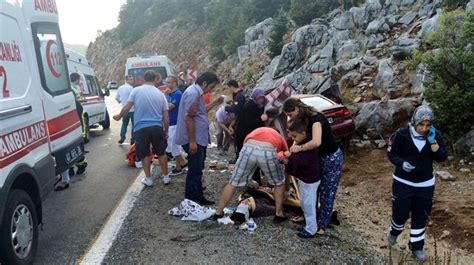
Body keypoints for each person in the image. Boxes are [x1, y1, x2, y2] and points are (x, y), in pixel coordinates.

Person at [386, 105, 447, 262]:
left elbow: (441, 157)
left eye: (427, 125)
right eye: (421, 124)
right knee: (401, 213)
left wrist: (433, 142)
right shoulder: (401, 134)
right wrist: (401, 163)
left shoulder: (434, 135)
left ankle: (417, 247)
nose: (424, 128)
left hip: (425, 184)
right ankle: (394, 230)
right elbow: (391, 153)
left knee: (421, 216)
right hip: (403, 182)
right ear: (414, 121)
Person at [283, 97, 343, 235]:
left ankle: (322, 224)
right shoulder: (303, 119)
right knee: (312, 191)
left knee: (327, 190)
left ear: (297, 109)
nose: (289, 118)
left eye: (290, 115)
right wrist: (293, 147)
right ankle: (310, 219)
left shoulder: (316, 119)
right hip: (317, 157)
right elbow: (299, 137)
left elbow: (316, 142)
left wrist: (300, 148)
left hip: (330, 157)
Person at [214, 127, 288, 223]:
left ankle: (218, 212)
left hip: (248, 148)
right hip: (268, 150)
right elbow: (285, 157)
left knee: (233, 182)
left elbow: (246, 144)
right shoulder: (279, 137)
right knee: (279, 183)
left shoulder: (257, 131)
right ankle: (279, 214)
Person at [113, 70, 170, 186]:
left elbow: (126, 107)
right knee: (161, 153)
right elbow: (166, 116)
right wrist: (166, 130)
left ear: (143, 79)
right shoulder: (160, 94)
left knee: (144, 154)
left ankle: (148, 179)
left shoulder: (136, 90)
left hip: (141, 128)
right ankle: (166, 177)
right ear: (155, 79)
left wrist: (119, 117)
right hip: (156, 127)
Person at [175, 72, 221, 205]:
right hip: (194, 139)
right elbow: (189, 117)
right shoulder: (193, 93)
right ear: (204, 83)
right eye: (210, 87)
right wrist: (192, 142)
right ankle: (192, 200)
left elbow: (199, 112)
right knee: (195, 170)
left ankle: (197, 195)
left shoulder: (196, 92)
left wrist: (215, 102)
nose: (210, 90)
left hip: (198, 138)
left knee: (197, 168)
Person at [283, 120, 321, 238]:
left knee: (308, 203)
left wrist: (288, 160)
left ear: (304, 133)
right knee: (304, 202)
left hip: (310, 179)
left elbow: (301, 163)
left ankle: (311, 229)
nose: (293, 138)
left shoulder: (307, 146)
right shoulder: (302, 142)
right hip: (306, 178)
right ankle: (309, 224)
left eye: (295, 136)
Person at [234, 87, 266, 184]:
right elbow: (249, 122)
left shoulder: (258, 106)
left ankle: (249, 179)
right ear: (255, 97)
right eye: (260, 98)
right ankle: (244, 179)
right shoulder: (250, 106)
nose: (261, 100)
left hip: (249, 135)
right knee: (246, 156)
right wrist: (261, 119)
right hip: (244, 135)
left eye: (263, 98)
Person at [164, 75, 187, 175]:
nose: (168, 84)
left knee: (174, 146)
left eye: (170, 82)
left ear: (175, 83)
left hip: (175, 123)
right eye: (167, 82)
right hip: (170, 123)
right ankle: (183, 162)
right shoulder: (171, 94)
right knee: (172, 145)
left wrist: (164, 97)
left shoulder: (177, 94)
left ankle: (179, 167)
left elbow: (169, 106)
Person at [224, 80, 246, 161]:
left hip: (241, 122)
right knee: (238, 141)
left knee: (239, 141)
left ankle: (238, 159)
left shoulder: (239, 96)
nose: (229, 90)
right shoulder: (239, 95)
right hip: (240, 121)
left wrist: (227, 108)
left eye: (229, 88)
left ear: (232, 87)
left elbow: (236, 109)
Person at [115, 75, 135, 144]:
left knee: (124, 124)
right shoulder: (131, 88)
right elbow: (134, 99)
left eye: (132, 79)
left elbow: (116, 98)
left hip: (124, 110)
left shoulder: (120, 88)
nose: (132, 80)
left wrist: (122, 101)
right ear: (126, 80)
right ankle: (133, 140)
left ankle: (122, 137)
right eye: (131, 79)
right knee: (134, 125)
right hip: (132, 110)